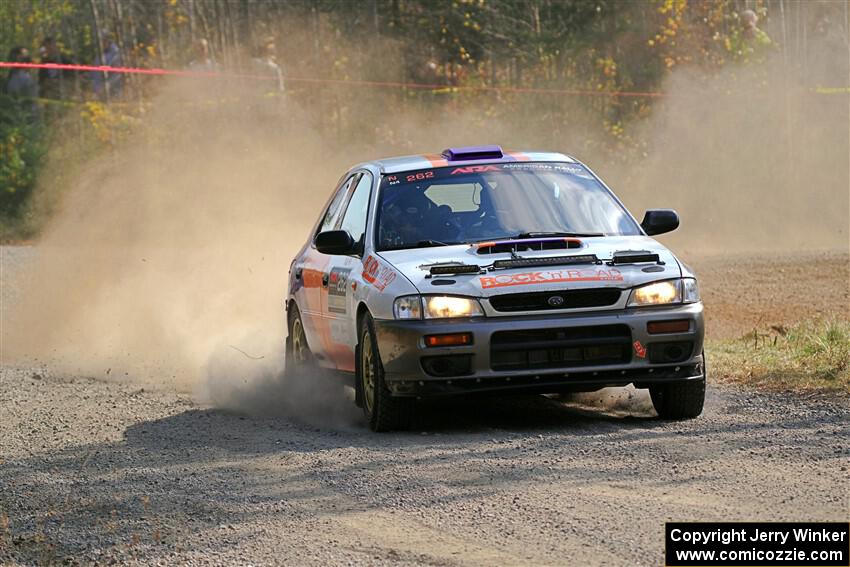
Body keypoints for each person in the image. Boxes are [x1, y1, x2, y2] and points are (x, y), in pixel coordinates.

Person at [5, 47, 40, 121]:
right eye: (25, 56)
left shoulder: (22, 76)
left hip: (27, 115)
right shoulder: (20, 77)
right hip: (23, 116)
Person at [92, 34, 123, 99]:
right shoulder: (101, 54)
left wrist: (105, 88)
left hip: (112, 93)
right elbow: (95, 71)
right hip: (99, 92)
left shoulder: (115, 54)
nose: (102, 44)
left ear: (108, 42)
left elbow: (116, 75)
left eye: (104, 41)